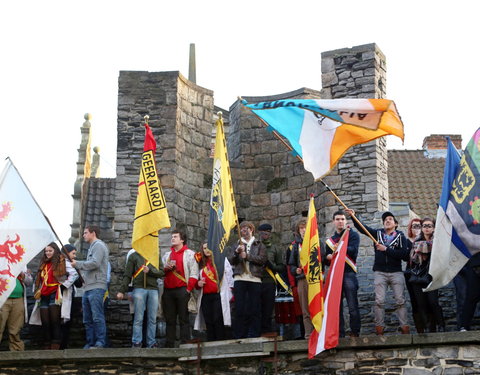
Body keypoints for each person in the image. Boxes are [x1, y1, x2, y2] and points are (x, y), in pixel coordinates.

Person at [345, 209, 409, 335]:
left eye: (390, 219)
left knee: (400, 301)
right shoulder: (378, 234)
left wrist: (386, 249)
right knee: (379, 301)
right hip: (380, 272)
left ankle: (404, 327)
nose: (387, 221)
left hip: (396, 272)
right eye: (385, 220)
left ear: (395, 224)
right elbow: (363, 228)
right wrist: (354, 216)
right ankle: (379, 328)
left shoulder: (400, 236)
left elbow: (404, 255)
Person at [30, 242, 78, 349]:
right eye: (46, 251)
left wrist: (63, 286)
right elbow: (38, 279)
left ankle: (55, 344)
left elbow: (74, 274)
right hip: (43, 295)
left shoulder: (62, 261)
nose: (47, 253)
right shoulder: (43, 263)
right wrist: (37, 289)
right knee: (45, 321)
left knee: (55, 321)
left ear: (55, 251)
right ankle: (47, 344)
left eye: (50, 251)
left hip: (55, 294)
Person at [71, 225, 109, 349]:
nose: (83, 235)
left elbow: (95, 263)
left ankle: (100, 343)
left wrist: (78, 264)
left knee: (97, 316)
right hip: (88, 287)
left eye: (86, 233)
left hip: (97, 286)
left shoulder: (99, 245)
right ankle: (90, 342)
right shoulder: (92, 247)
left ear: (93, 233)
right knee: (87, 318)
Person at [117, 250, 164, 348]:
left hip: (153, 289)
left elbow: (161, 272)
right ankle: (137, 342)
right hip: (139, 288)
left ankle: (151, 343)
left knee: (152, 319)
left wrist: (150, 271)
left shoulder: (155, 255)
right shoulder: (133, 256)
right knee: (138, 318)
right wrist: (122, 290)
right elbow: (127, 275)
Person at [228, 221, 267, 339]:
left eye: (246, 229)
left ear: (251, 230)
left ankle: (254, 334)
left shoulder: (259, 244)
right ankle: (240, 334)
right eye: (242, 229)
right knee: (239, 308)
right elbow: (231, 261)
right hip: (240, 278)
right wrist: (236, 253)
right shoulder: (236, 245)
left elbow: (262, 259)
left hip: (254, 279)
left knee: (254, 308)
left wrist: (248, 256)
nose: (244, 231)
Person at [324, 210, 361, 337]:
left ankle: (355, 332)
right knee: (336, 306)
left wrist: (339, 249)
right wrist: (328, 256)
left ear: (346, 221)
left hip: (349, 273)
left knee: (352, 306)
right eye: (338, 219)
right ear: (334, 222)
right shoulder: (330, 240)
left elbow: (353, 251)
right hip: (335, 275)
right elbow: (326, 260)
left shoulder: (353, 235)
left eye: (342, 219)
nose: (340, 221)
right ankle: (339, 333)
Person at [161, 230, 199, 348]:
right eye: (172, 237)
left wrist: (188, 290)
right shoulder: (167, 255)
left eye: (175, 237)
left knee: (184, 318)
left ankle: (185, 343)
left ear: (182, 240)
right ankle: (169, 344)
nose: (172, 239)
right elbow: (162, 272)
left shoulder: (190, 254)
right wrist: (166, 268)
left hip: (182, 289)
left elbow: (194, 273)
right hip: (168, 291)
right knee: (170, 319)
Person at [408, 218, 445, 332]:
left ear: (434, 228)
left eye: (429, 225)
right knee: (422, 304)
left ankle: (441, 326)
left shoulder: (438, 241)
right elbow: (412, 260)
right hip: (418, 276)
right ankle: (429, 328)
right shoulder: (416, 242)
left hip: (431, 276)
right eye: (424, 225)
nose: (427, 228)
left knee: (433, 302)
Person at [193, 243, 233, 341]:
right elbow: (194, 277)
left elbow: (229, 275)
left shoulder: (221, 260)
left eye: (208, 248)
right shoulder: (200, 262)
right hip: (205, 295)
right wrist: (198, 284)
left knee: (217, 318)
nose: (206, 250)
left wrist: (232, 291)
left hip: (218, 294)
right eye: (204, 248)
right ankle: (210, 341)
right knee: (208, 319)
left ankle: (220, 340)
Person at [287, 218, 314, 339]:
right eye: (301, 228)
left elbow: (323, 259)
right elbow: (291, 264)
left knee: (317, 306)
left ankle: (319, 333)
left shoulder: (317, 242)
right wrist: (295, 270)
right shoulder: (296, 246)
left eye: (305, 227)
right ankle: (309, 335)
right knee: (305, 309)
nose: (303, 230)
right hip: (302, 279)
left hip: (315, 278)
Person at [258, 223, 284, 334]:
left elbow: (281, 267)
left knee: (268, 308)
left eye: (267, 232)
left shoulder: (275, 248)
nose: (265, 234)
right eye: (263, 232)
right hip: (256, 280)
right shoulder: (255, 246)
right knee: (256, 307)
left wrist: (271, 266)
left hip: (269, 281)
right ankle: (257, 330)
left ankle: (266, 330)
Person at [0, 268, 32, 351]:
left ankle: (17, 351)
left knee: (16, 328)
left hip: (18, 299)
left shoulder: (21, 262)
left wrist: (24, 274)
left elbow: (29, 282)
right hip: (2, 298)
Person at [60, 244, 83, 349]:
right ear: (67, 253)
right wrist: (63, 286)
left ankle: (64, 345)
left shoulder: (71, 264)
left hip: (70, 295)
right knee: (61, 322)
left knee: (67, 323)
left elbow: (78, 283)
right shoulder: (62, 263)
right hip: (62, 295)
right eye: (73, 253)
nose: (74, 256)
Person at [460, 252, 480, 331]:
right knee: (471, 297)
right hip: (473, 265)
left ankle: (464, 326)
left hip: (473, 263)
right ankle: (464, 326)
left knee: (470, 298)